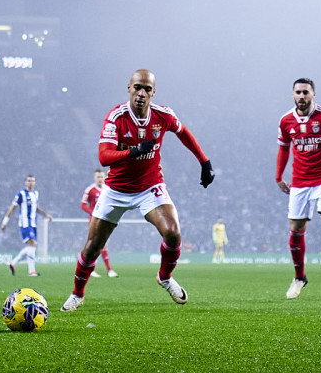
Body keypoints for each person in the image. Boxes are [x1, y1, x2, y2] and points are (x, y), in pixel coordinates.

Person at [61, 69, 214, 312]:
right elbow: (103, 157)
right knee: (92, 247)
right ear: (129, 88)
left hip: (149, 186)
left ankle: (164, 277)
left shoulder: (163, 115)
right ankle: (77, 294)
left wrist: (204, 162)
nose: (141, 93)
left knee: (173, 233)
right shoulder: (116, 117)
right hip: (115, 190)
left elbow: (183, 132)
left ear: (153, 93)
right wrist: (133, 152)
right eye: (137, 87)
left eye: (147, 89)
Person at [276, 78, 321, 299]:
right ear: (293, 94)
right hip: (300, 182)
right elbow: (284, 150)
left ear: (314, 93)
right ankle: (299, 278)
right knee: (296, 229)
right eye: (298, 92)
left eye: (305, 92)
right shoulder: (286, 120)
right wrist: (278, 176)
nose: (302, 96)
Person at [1, 174, 54, 276]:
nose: (31, 182)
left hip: (33, 223)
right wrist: (4, 222)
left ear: (35, 183)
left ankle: (13, 263)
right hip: (25, 223)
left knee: (31, 246)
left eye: (32, 181)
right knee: (32, 244)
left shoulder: (36, 194)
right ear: (25, 182)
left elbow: (36, 208)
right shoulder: (21, 194)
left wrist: (46, 214)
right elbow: (12, 208)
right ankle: (31, 271)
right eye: (29, 180)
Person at [79, 169, 117, 277]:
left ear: (105, 177)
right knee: (97, 243)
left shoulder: (108, 189)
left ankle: (93, 268)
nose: (100, 179)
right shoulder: (90, 190)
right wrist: (93, 213)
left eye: (101, 177)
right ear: (94, 178)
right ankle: (108, 270)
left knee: (101, 244)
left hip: (106, 220)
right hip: (94, 220)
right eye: (97, 177)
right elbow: (83, 205)